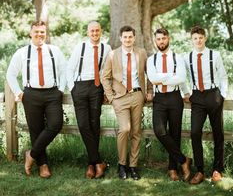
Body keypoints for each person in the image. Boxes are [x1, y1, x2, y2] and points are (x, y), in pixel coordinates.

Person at [6, 21, 66, 178]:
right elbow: (10, 74)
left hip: (52, 93)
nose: (40, 35)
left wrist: (61, 89)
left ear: (46, 33)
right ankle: (42, 165)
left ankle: (31, 155)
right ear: (30, 33)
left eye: (42, 32)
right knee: (36, 130)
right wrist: (19, 93)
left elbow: (64, 71)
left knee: (56, 124)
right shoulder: (22, 53)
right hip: (31, 94)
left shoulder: (54, 51)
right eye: (36, 32)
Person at [102, 25, 153, 180]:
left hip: (137, 95)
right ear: (120, 38)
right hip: (120, 98)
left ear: (134, 38)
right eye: (125, 37)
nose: (128, 39)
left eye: (130, 37)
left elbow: (148, 74)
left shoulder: (141, 53)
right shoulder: (112, 55)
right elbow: (105, 77)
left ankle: (133, 166)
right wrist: (110, 96)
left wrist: (149, 91)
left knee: (136, 132)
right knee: (125, 129)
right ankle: (122, 164)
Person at [183, 26, 228, 185]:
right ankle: (200, 170)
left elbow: (223, 76)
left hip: (213, 95)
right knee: (195, 133)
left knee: (218, 133)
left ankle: (217, 170)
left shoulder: (214, 55)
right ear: (192, 40)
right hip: (197, 97)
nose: (198, 40)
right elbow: (182, 77)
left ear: (205, 38)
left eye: (201, 37)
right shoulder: (187, 57)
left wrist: (222, 95)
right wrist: (187, 92)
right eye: (195, 38)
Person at [67, 21, 111, 179]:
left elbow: (107, 71)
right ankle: (98, 161)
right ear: (88, 32)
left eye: (97, 30)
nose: (95, 33)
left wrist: (106, 90)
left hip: (97, 87)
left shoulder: (107, 48)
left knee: (94, 125)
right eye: (92, 31)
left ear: (101, 31)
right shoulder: (81, 47)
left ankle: (91, 165)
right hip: (80, 87)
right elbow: (69, 68)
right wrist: (72, 88)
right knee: (83, 125)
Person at [147, 28, 192, 182]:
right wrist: (170, 76)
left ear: (169, 39)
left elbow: (181, 78)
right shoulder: (151, 59)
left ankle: (173, 168)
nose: (161, 41)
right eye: (158, 39)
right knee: (159, 131)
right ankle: (184, 160)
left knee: (175, 133)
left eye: (164, 38)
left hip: (174, 98)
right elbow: (152, 79)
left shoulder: (178, 58)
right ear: (155, 41)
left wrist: (162, 78)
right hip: (159, 98)